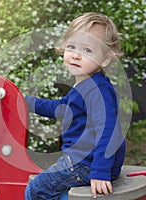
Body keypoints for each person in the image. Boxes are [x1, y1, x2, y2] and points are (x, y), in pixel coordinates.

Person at [24, 12, 126, 199]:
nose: (76, 55)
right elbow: (62, 108)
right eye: (72, 46)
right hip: (84, 160)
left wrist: (100, 171)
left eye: (87, 50)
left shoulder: (97, 90)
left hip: (86, 163)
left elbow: (108, 130)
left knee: (36, 189)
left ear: (104, 59)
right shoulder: (85, 85)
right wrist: (27, 103)